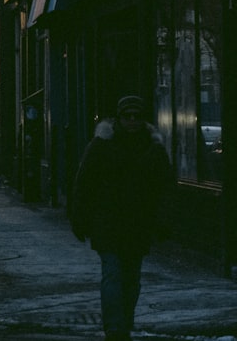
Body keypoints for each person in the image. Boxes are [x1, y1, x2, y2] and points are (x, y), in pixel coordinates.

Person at [70, 95, 174, 341]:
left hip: (138, 224)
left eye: (136, 116)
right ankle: (115, 329)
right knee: (113, 274)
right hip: (108, 222)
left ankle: (123, 322)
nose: (132, 120)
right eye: (127, 115)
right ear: (119, 117)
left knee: (131, 279)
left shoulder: (153, 149)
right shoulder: (101, 145)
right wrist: (80, 218)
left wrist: (163, 220)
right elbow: (84, 183)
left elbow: (165, 188)